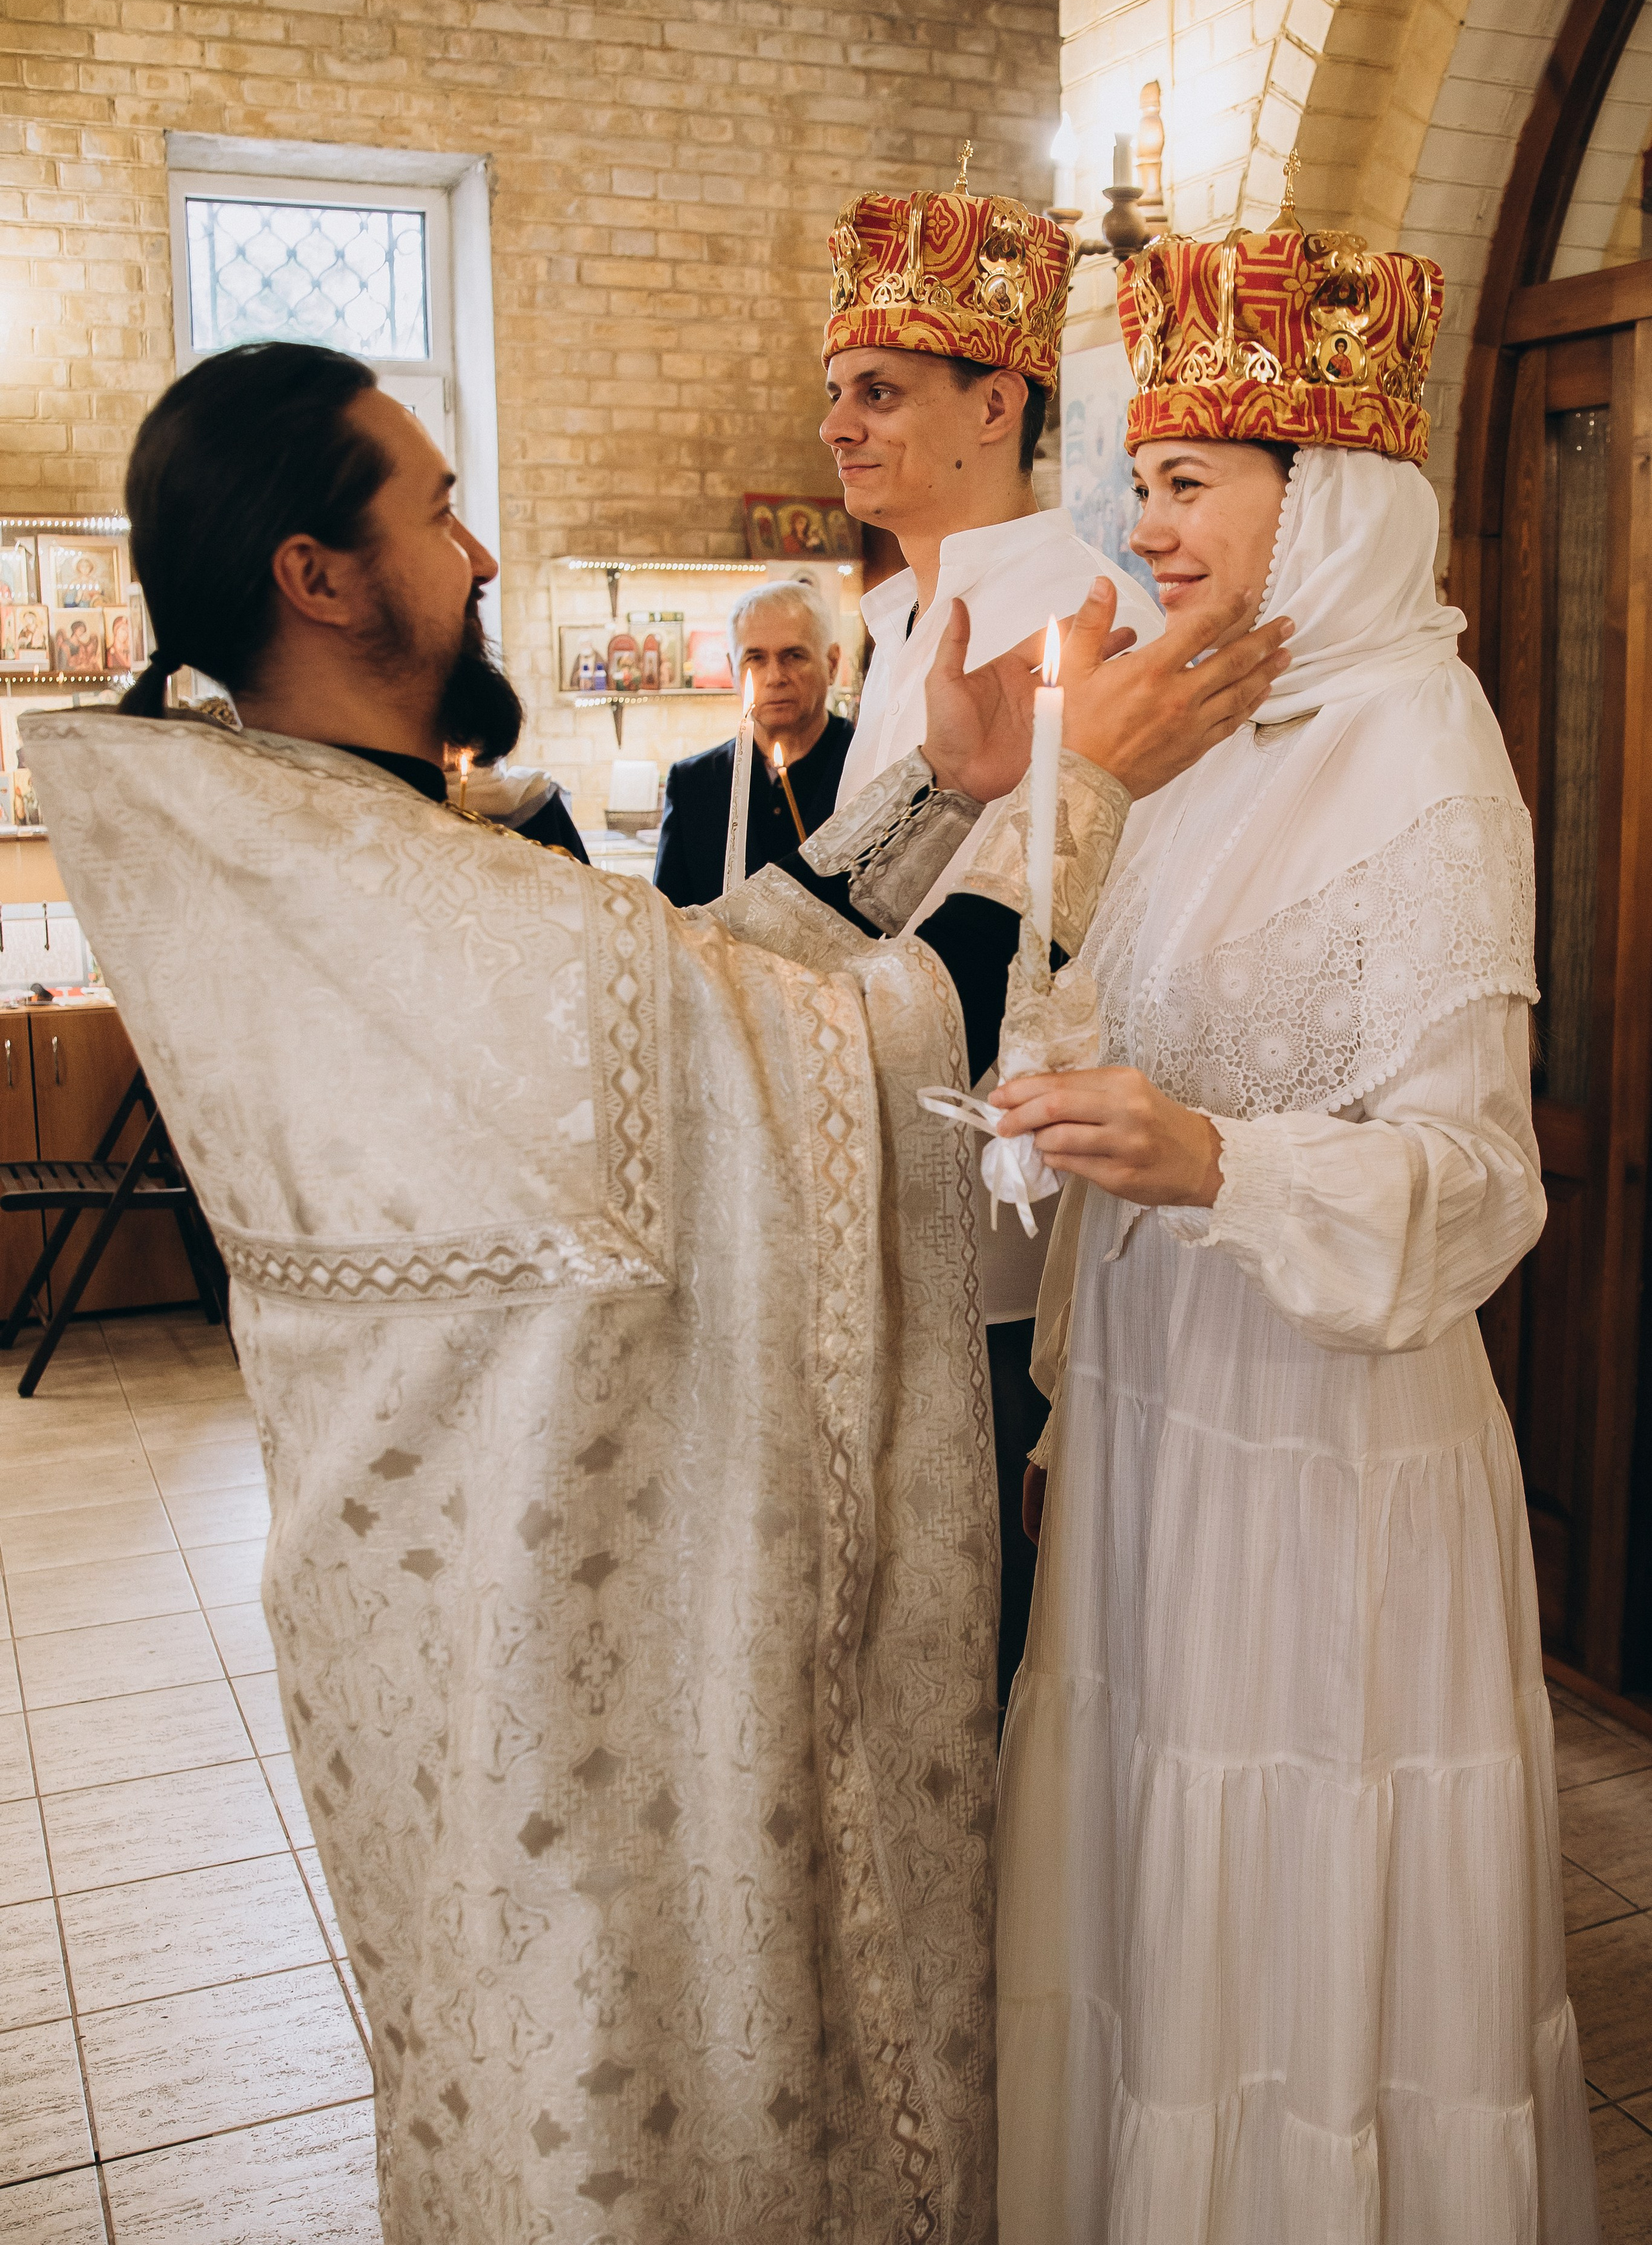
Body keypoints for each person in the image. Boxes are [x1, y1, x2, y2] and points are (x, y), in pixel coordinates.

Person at [31, 339, 1289, 2245]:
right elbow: (795, 1073)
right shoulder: (357, 875)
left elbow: (676, 997)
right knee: (609, 2107)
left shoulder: (315, 835)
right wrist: (1072, 800)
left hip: (481, 1606)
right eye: (436, 506)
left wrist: (939, 801)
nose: (478, 549)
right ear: (317, 572)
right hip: (540, 1646)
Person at [989, 185, 1599, 2240]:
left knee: (1297, 1947)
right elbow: (1131, 1010)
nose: (1146, 532)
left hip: (1323, 1456)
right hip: (1172, 1422)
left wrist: (1212, 1158)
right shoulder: (1200, 740)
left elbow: (1476, 1181)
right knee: (1160, 1913)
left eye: (1188, 484)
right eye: (1138, 484)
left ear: (1325, 496)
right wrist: (1060, 1086)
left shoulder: (1425, 753)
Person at [822, 161, 1166, 1708]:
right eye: (835, 391)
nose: (839, 423)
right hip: (863, 1174)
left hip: (999, 1224)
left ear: (995, 401)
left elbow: (1088, 935)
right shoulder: (899, 610)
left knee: (986, 1647)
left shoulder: (1081, 613)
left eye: (880, 389)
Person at [652, 575, 851, 907]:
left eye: (794, 656)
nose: (775, 677)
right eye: (755, 658)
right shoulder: (693, 784)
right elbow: (672, 921)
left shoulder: (873, 765)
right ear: (733, 670)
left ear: (831, 664)